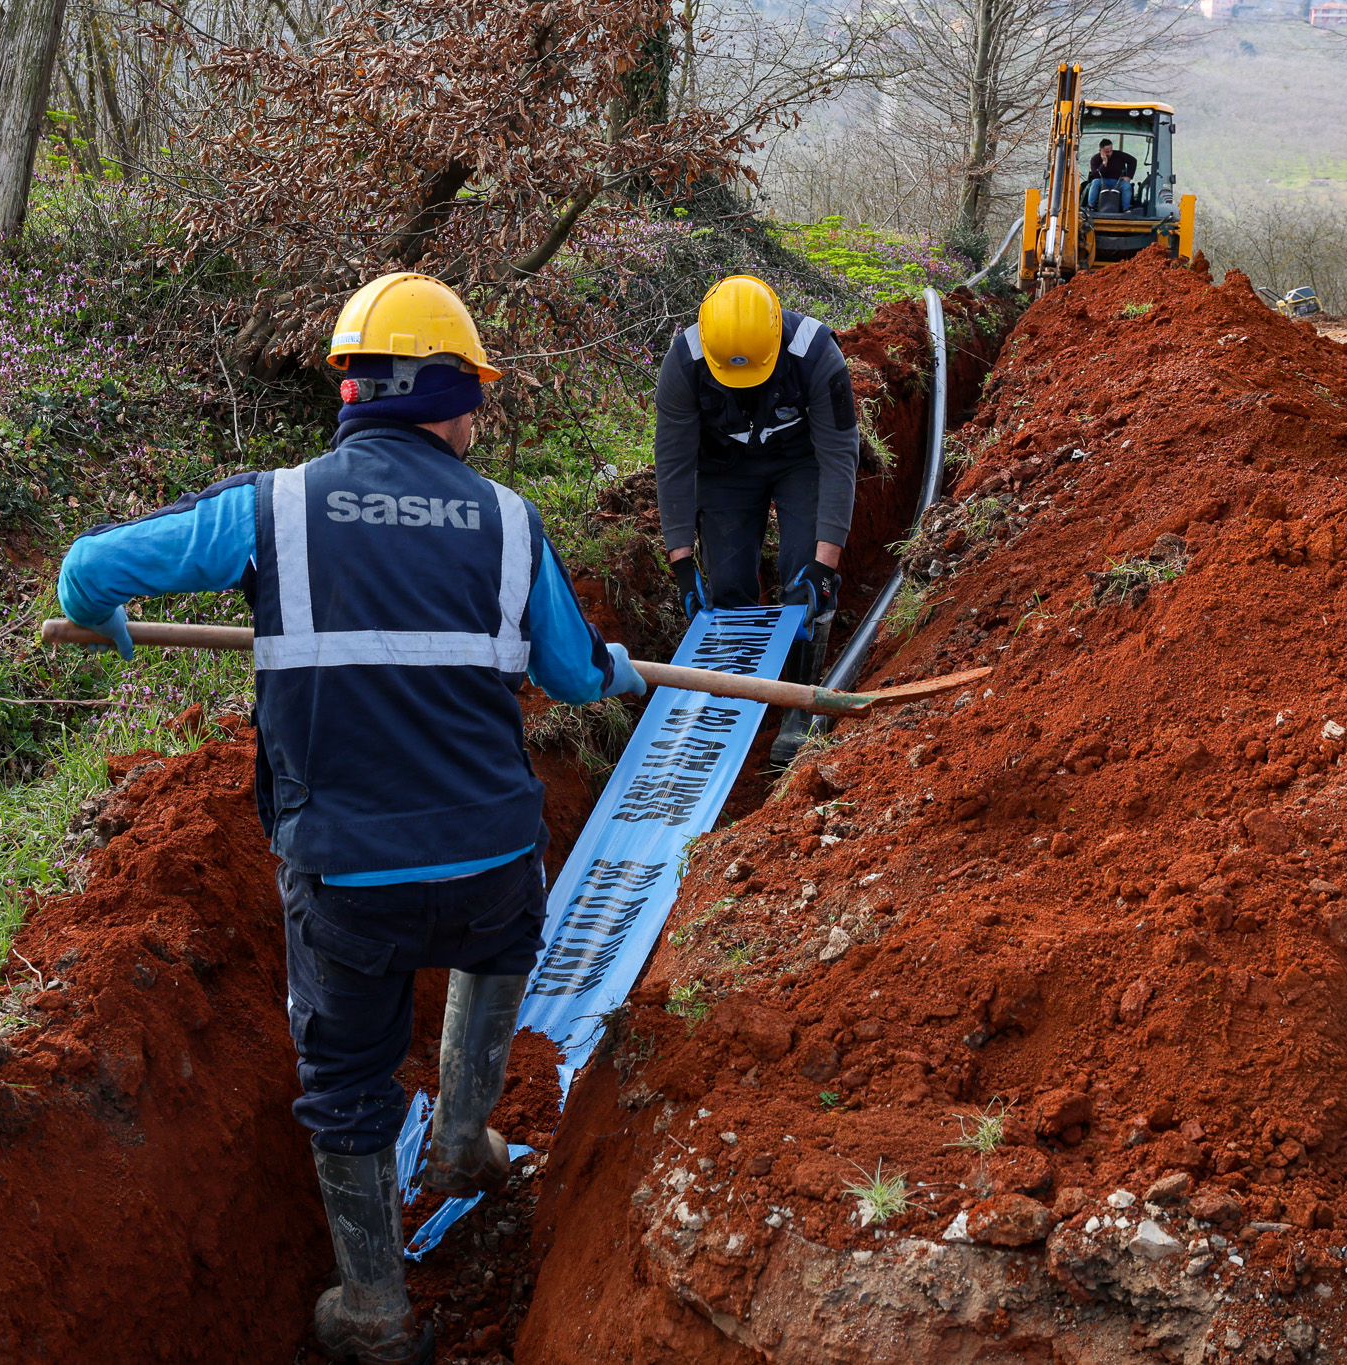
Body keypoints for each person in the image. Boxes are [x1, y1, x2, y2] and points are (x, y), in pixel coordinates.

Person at [54, 272, 645, 1365]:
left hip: (348, 874)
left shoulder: (268, 508)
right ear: (438, 390)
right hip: (492, 858)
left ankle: (374, 1309)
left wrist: (109, 623)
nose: (478, 415)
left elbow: (87, 571)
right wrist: (612, 669)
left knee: (346, 1081)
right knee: (496, 943)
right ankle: (465, 1142)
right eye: (474, 391)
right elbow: (568, 673)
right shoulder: (509, 523)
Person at [651, 274, 859, 760]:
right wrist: (683, 566)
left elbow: (838, 456)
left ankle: (800, 703)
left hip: (799, 461)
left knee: (802, 577)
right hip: (724, 468)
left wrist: (824, 567)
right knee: (727, 588)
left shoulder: (816, 353)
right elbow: (674, 464)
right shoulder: (683, 363)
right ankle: (735, 706)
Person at [1086, 138, 1139, 211]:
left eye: (1110, 151)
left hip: (1118, 182)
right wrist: (1104, 163)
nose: (1109, 153)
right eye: (1106, 152)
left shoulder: (1119, 155)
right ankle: (1091, 206)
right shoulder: (1095, 159)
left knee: (1127, 186)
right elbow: (1096, 176)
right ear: (1100, 151)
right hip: (1102, 181)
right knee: (1095, 183)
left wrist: (1129, 176)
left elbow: (1133, 161)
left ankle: (1126, 209)